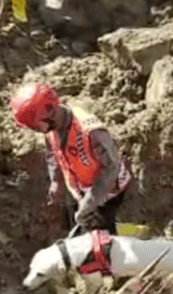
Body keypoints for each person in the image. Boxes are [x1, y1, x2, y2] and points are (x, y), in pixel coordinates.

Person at [9, 83, 132, 234]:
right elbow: (52, 153)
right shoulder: (50, 127)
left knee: (104, 242)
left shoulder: (91, 131)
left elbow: (112, 167)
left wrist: (90, 202)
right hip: (80, 190)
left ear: (49, 110)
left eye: (34, 126)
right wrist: (56, 181)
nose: (35, 130)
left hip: (108, 193)